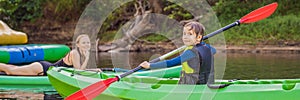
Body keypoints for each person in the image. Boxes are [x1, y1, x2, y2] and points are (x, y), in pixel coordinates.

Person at [139, 21, 215, 85]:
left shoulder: (190, 52)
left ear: (198, 37)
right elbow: (214, 50)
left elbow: (170, 63)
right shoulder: (208, 47)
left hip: (191, 85)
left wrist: (150, 65)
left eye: (190, 34)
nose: (186, 37)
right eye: (184, 34)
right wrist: (199, 42)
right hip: (207, 83)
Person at [0, 34, 101, 76]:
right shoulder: (75, 53)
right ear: (78, 45)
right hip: (42, 69)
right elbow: (79, 72)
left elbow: (79, 70)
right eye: (84, 43)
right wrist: (88, 59)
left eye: (88, 42)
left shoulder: (82, 54)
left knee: (12, 69)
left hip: (47, 70)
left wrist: (94, 70)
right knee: (10, 71)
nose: (86, 45)